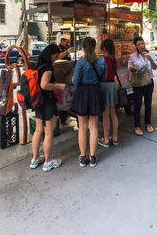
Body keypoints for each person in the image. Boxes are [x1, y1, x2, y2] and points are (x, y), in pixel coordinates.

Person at [30, 44, 66, 172]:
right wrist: (58, 86)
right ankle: (48, 161)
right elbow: (44, 85)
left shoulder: (38, 64)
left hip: (38, 101)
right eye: (56, 56)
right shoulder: (48, 67)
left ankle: (35, 159)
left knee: (38, 130)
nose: (56, 58)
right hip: (48, 101)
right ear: (51, 54)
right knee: (49, 133)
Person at [71, 37, 106, 167]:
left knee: (82, 127)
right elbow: (103, 78)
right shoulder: (101, 61)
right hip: (96, 92)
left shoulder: (81, 62)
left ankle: (82, 157)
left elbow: (75, 81)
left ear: (83, 47)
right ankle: (92, 157)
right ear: (95, 46)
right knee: (93, 126)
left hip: (82, 93)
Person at [128, 36, 157, 136]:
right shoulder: (133, 56)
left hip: (149, 82)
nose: (141, 46)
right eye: (139, 44)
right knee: (137, 104)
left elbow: (155, 67)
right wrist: (134, 68)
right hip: (138, 84)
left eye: (142, 43)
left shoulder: (150, 54)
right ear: (136, 46)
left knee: (148, 104)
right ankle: (137, 126)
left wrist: (150, 59)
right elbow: (130, 68)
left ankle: (148, 124)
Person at [98, 39, 119, 147]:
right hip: (112, 85)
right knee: (113, 113)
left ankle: (106, 139)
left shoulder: (103, 59)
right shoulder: (114, 59)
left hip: (104, 86)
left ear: (104, 48)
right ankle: (115, 138)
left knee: (105, 115)